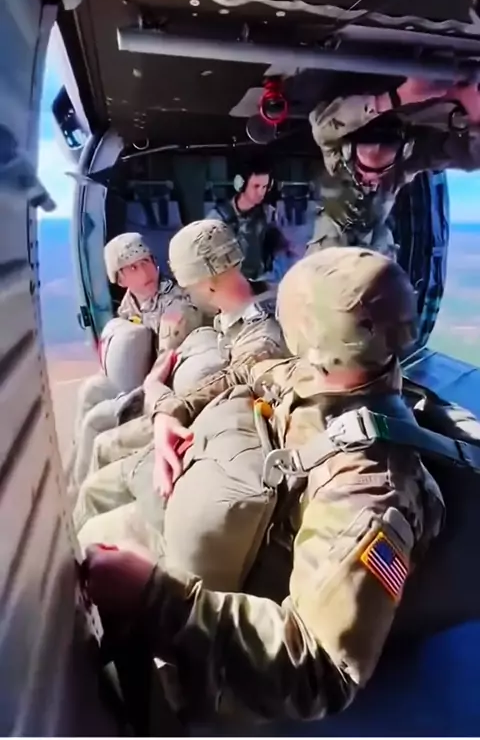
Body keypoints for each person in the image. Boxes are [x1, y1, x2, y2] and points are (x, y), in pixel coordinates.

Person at [83, 246, 445, 726]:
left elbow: (321, 669)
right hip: (239, 513)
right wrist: (171, 412)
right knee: (94, 506)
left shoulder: (370, 493)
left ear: (309, 334)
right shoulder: (323, 374)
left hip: (245, 615)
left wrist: (155, 598)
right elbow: (249, 370)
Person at [73, 218, 288, 543]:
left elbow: (226, 384)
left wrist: (158, 396)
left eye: (189, 286)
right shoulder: (234, 310)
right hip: (200, 417)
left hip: (217, 440)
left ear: (207, 285)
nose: (184, 292)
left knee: (102, 462)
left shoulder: (260, 340)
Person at [70, 232, 203, 490]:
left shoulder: (175, 306)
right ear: (119, 279)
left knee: (94, 421)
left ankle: (80, 489)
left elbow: (166, 364)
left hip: (162, 388)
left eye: (145, 261)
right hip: (139, 377)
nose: (143, 271)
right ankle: (77, 467)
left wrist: (133, 396)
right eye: (132, 267)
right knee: (89, 390)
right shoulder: (130, 304)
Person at [308, 77, 480, 258]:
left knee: (327, 259)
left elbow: (322, 127)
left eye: (374, 170)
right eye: (367, 169)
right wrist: (473, 115)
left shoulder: (337, 161)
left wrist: (399, 97)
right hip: (370, 241)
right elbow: (470, 158)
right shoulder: (401, 170)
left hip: (382, 102)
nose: (371, 181)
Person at [207, 158, 292, 282]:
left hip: (262, 281)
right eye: (256, 186)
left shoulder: (269, 214)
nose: (261, 192)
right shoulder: (217, 218)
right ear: (240, 184)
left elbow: (282, 249)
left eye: (265, 187)